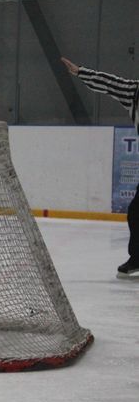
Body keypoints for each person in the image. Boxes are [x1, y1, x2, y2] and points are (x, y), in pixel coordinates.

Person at [62, 57, 138, 278]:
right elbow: (111, 84)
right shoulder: (134, 92)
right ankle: (138, 258)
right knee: (136, 213)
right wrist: (80, 72)